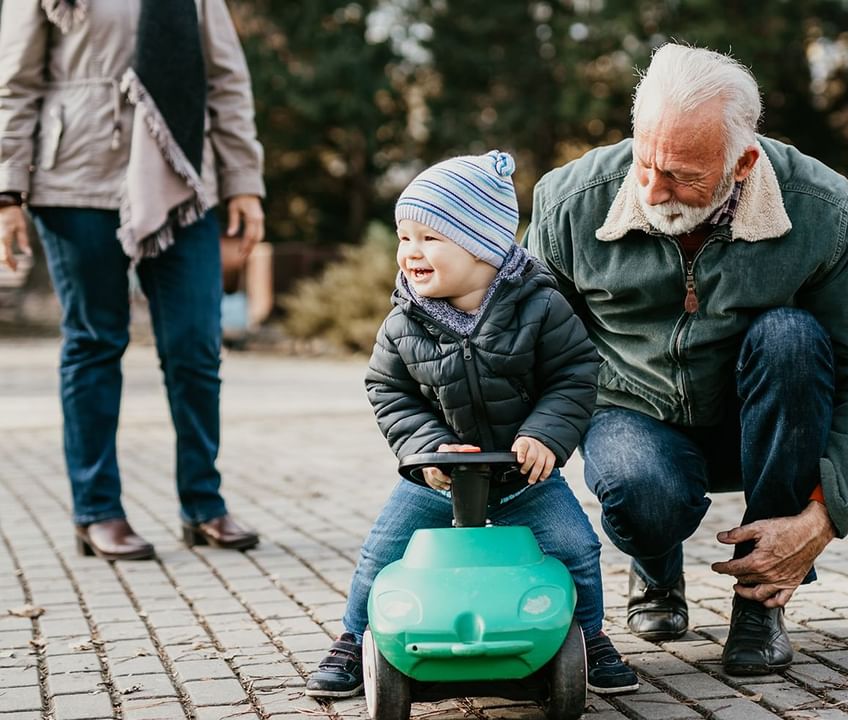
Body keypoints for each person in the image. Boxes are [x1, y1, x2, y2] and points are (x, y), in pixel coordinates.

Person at [523, 44, 848, 676]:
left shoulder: (828, 213)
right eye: (645, 162)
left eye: (681, 175)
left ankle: (762, 602)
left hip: (761, 420)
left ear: (743, 162)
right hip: (630, 409)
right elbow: (527, 343)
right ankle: (655, 564)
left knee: (793, 338)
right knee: (640, 493)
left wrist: (823, 517)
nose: (653, 189)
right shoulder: (568, 202)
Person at [304, 151, 640, 698]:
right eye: (404, 236)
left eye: (430, 238)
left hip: (523, 478)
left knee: (576, 546)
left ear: (483, 244)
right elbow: (387, 389)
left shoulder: (542, 308)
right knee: (383, 549)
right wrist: (429, 448)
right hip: (439, 479)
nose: (411, 251)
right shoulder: (403, 321)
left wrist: (545, 435)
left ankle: (590, 635)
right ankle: (352, 636)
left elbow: (575, 374)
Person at [0, 0, 265, 559]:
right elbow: (15, 82)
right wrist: (6, 191)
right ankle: (97, 509)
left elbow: (226, 81)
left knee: (195, 344)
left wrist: (243, 180)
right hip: (74, 178)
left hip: (183, 182)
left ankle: (203, 504)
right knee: (95, 342)